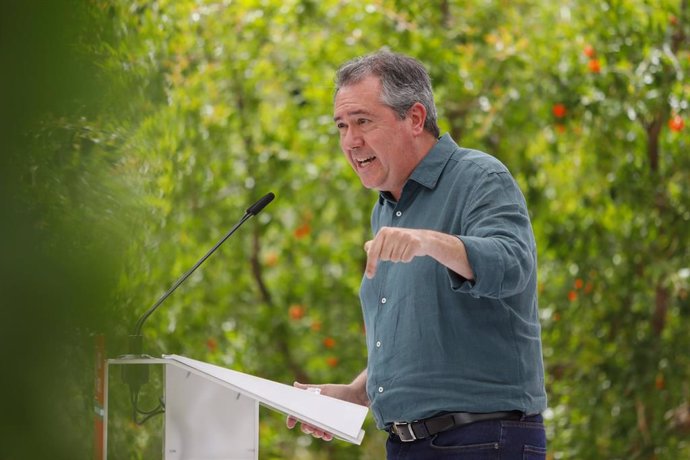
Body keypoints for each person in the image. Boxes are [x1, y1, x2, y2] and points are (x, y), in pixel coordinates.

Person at [287, 50, 547, 459]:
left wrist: (429, 242)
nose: (350, 141)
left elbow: (511, 264)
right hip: (408, 445)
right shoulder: (386, 209)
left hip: (482, 440)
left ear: (414, 118)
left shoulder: (480, 176)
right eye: (341, 126)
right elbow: (427, 330)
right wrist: (359, 392)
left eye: (362, 122)